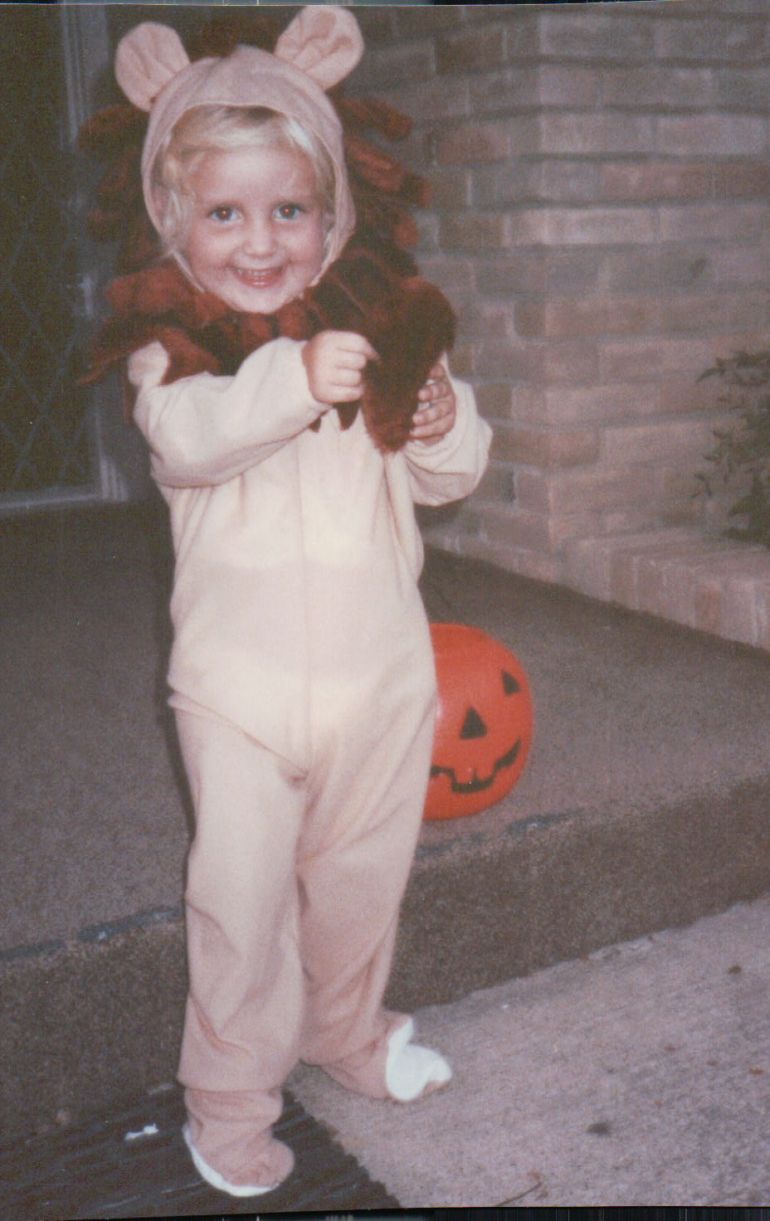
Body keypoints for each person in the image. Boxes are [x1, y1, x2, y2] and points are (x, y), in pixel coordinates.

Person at [104, 6, 492, 1197]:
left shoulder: (377, 327)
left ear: (333, 217)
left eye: (290, 209)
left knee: (360, 887)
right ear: (173, 220)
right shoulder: (175, 353)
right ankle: (228, 1098)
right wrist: (288, 373)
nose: (261, 240)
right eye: (223, 213)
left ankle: (345, 1031)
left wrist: (438, 421)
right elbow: (189, 441)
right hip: (241, 696)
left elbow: (448, 477)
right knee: (240, 903)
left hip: (380, 683)